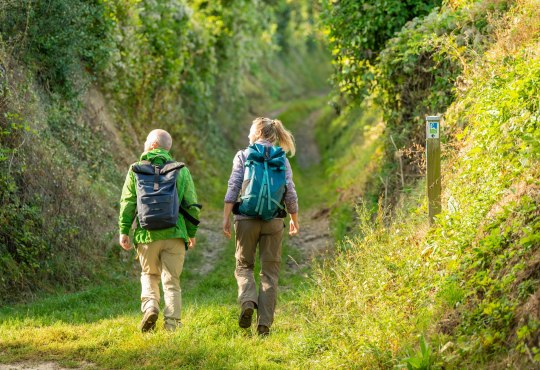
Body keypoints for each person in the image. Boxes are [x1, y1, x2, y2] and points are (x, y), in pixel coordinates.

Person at [223, 117, 299, 336]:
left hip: (246, 218)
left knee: (244, 266)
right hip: (273, 220)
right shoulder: (281, 158)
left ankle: (247, 301)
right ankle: (264, 324)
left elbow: (233, 187)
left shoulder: (243, 155)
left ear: (256, 134)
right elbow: (290, 191)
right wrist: (294, 219)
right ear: (274, 135)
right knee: (270, 273)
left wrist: (226, 217)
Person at [118, 129, 200, 332]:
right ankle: (172, 325)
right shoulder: (181, 170)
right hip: (175, 234)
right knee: (171, 281)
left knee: (149, 274)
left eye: (147, 140)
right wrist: (191, 233)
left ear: (153, 145)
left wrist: (124, 230)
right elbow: (191, 205)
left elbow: (127, 202)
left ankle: (150, 306)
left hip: (147, 234)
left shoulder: (135, 169)